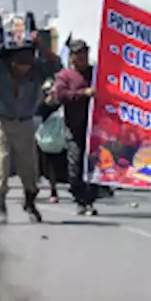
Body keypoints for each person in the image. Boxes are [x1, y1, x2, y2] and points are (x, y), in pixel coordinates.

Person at [0, 17, 59, 224]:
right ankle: (0, 204)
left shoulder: (37, 71)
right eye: (18, 61)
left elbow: (56, 64)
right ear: (10, 60)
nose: (23, 66)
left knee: (29, 168)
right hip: (2, 123)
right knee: (2, 164)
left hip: (25, 123)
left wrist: (40, 43)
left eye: (27, 60)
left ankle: (30, 201)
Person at [52, 38, 100, 216]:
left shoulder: (95, 73)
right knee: (75, 164)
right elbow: (61, 95)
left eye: (85, 53)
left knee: (95, 165)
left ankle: (90, 199)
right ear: (72, 57)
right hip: (75, 126)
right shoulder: (64, 76)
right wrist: (84, 94)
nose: (83, 57)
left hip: (95, 128)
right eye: (79, 54)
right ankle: (79, 198)